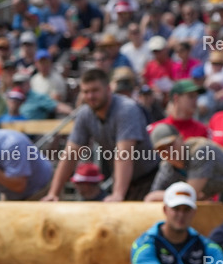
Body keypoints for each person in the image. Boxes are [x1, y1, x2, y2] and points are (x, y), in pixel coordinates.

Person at [43, 69, 158, 202]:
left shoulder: (127, 109)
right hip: (126, 182)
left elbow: (124, 154)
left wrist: (117, 195)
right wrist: (53, 194)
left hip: (150, 180)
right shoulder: (85, 114)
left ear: (108, 89)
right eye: (86, 92)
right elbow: (70, 155)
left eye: (95, 90)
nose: (90, 96)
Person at [145, 123, 223, 204]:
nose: (168, 151)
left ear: (181, 138)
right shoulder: (167, 167)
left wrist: (158, 195)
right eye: (161, 149)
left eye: (171, 144)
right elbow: (150, 199)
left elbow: (189, 194)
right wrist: (155, 196)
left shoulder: (201, 150)